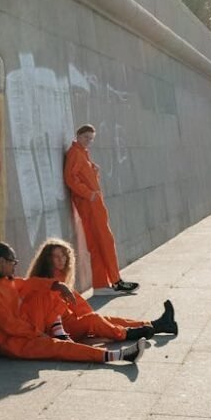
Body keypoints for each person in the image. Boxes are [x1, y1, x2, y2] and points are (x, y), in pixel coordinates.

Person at [0, 242, 147, 364]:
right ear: (1, 263)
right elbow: (8, 325)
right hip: (14, 342)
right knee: (59, 348)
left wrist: (57, 285)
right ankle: (118, 356)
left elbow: (29, 283)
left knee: (48, 291)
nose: (15, 266)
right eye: (13, 262)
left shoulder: (3, 281)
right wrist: (36, 333)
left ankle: (59, 333)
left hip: (28, 329)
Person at [27, 238, 178, 342]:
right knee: (94, 320)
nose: (62, 260)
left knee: (104, 319)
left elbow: (79, 305)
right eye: (56, 257)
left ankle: (157, 324)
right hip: (62, 329)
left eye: (63, 256)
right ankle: (127, 334)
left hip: (73, 323)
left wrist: (95, 318)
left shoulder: (61, 277)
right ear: (47, 259)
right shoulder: (41, 281)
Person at [64, 124, 139, 295]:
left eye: (91, 139)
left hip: (93, 203)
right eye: (85, 137)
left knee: (98, 244)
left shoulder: (83, 153)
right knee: (105, 241)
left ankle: (101, 285)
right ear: (78, 135)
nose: (88, 141)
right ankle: (115, 281)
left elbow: (84, 177)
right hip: (89, 204)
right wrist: (88, 194)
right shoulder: (75, 153)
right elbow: (70, 178)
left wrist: (94, 171)